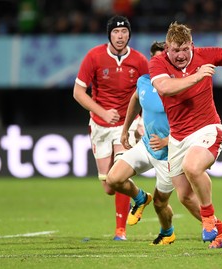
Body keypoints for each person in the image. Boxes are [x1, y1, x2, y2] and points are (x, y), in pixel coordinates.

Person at [149, 21, 222, 249]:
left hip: (207, 128)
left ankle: (208, 217)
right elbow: (165, 88)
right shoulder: (157, 62)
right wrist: (198, 76)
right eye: (175, 50)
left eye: (184, 49)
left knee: (192, 167)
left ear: (192, 45)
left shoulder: (205, 54)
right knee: (185, 197)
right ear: (167, 48)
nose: (180, 55)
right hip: (178, 136)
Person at [106, 41, 201, 245]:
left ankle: (168, 232)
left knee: (160, 203)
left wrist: (168, 140)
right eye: (156, 59)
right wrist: (125, 130)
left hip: (170, 154)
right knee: (113, 179)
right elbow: (135, 100)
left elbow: (194, 121)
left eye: (163, 58)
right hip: (146, 146)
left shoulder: (178, 85)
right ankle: (140, 198)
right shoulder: (144, 81)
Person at [73, 15, 149, 241]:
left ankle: (120, 231)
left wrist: (142, 122)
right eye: (116, 32)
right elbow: (78, 93)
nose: (120, 36)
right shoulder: (94, 57)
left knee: (118, 173)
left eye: (124, 32)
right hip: (99, 125)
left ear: (129, 35)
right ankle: (140, 196)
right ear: (109, 34)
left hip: (126, 125)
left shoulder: (139, 60)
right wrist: (102, 112)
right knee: (109, 185)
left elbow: (148, 94)